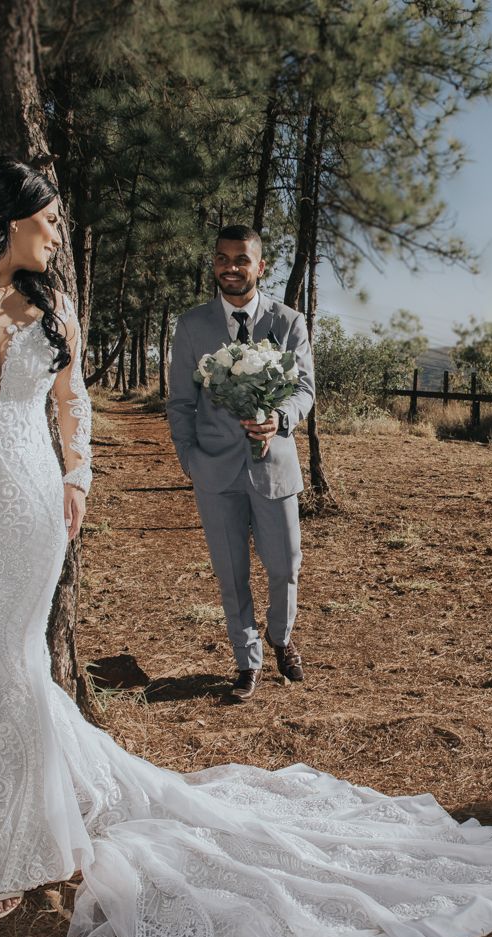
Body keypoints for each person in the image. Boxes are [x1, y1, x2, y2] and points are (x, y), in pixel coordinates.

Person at [0, 157, 492, 937]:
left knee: (14, 662)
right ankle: (7, 817)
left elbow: (73, 402)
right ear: (9, 219)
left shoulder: (53, 305)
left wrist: (78, 475)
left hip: (35, 507)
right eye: (50, 224)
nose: (59, 238)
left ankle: (12, 841)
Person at [167, 225, 315, 702]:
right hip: (214, 469)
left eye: (241, 259)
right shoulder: (191, 326)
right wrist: (190, 459)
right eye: (222, 258)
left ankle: (281, 637)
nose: (231, 267)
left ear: (260, 267)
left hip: (276, 465)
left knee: (286, 564)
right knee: (230, 573)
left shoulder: (289, 322)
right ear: (214, 263)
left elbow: (306, 389)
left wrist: (281, 417)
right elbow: (179, 402)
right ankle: (246, 660)